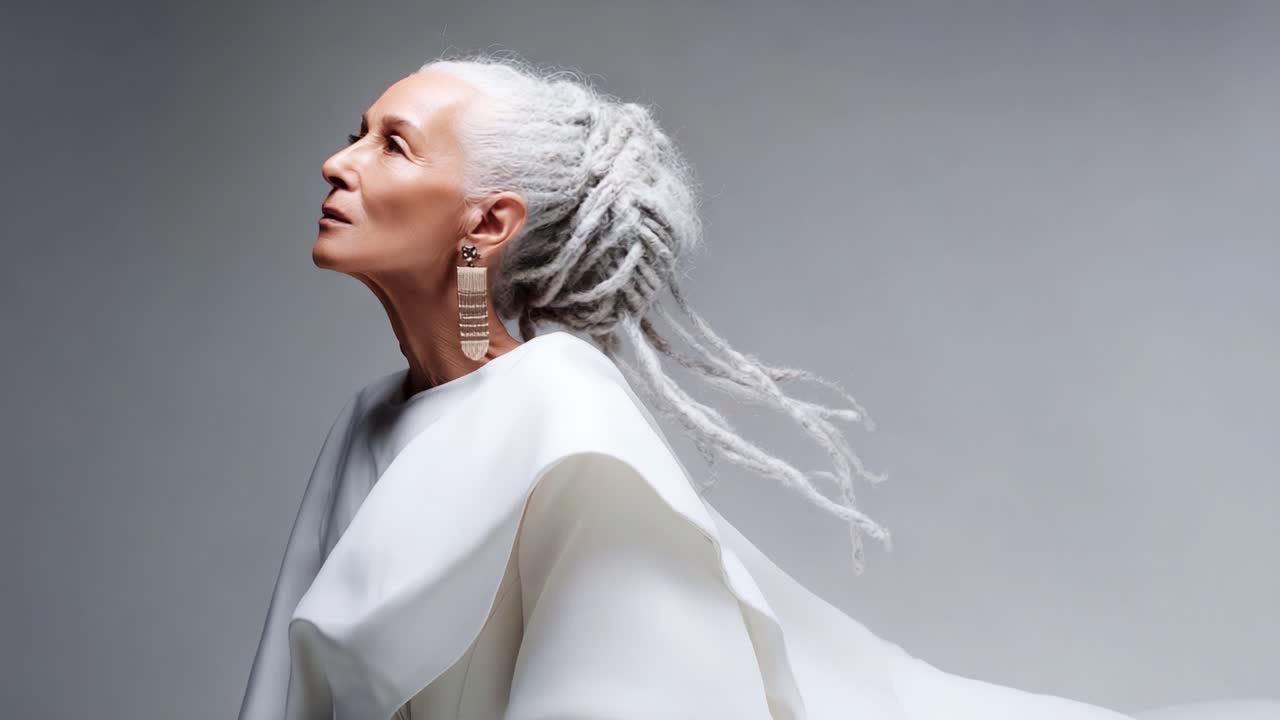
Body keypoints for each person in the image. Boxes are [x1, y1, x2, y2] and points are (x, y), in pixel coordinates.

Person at [237, 53, 1278, 720]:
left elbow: (632, 694)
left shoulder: (557, 407)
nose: (337, 164)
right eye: (353, 131)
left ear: (487, 225)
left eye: (392, 144)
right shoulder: (371, 421)